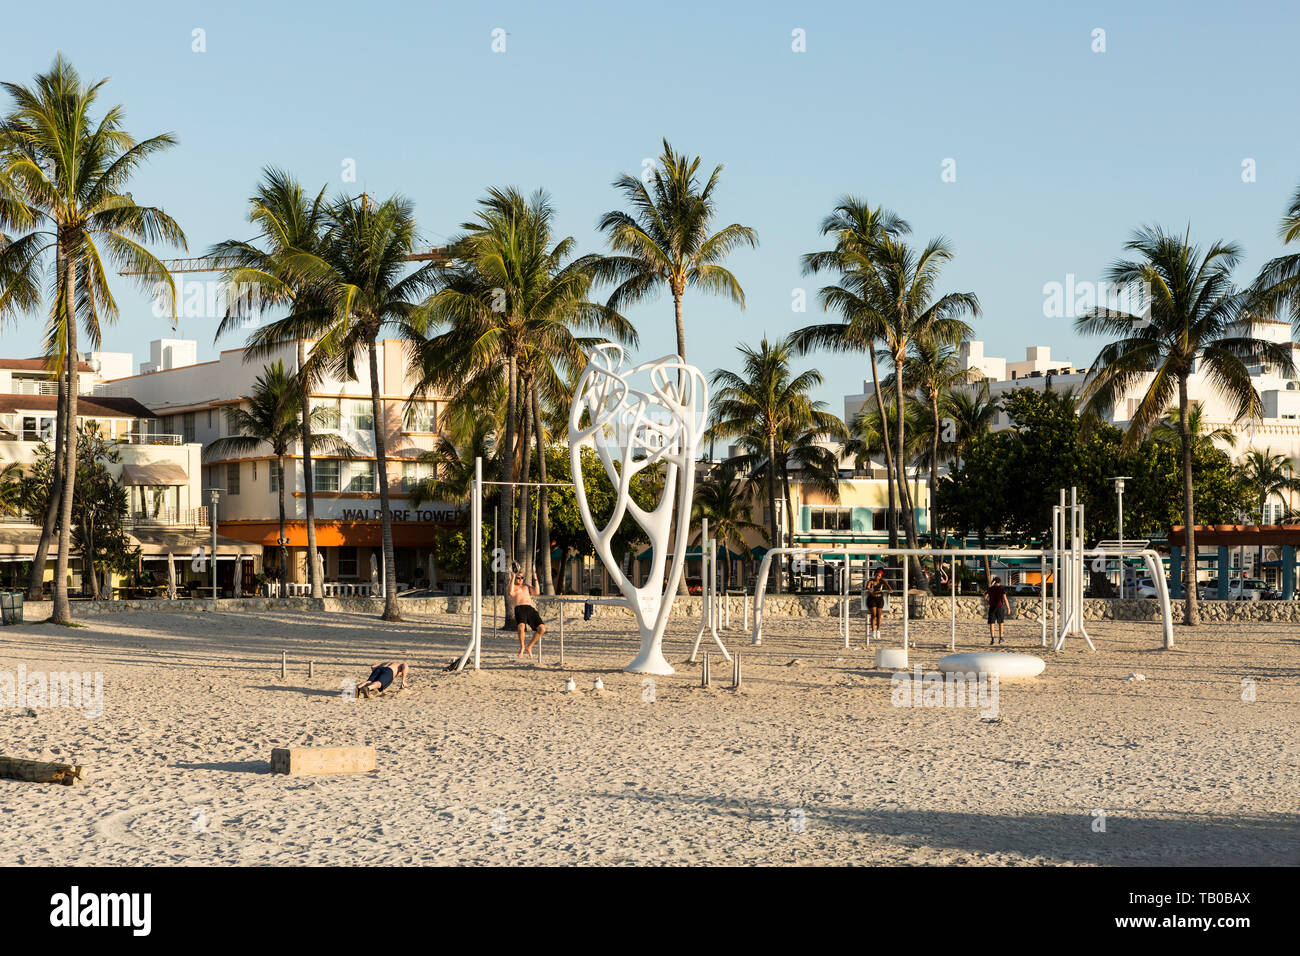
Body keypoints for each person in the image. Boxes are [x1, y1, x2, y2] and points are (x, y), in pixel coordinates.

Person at [510, 571, 546, 659]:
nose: (520, 580)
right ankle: (522, 646)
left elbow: (537, 592)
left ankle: (529, 646)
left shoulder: (526, 586)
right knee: (521, 627)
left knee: (542, 629)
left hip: (529, 608)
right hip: (520, 608)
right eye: (518, 578)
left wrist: (535, 578)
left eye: (522, 578)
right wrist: (512, 578)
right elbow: (510, 593)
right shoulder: (513, 586)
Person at [864, 566, 891, 642]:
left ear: (881, 576)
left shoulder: (882, 582)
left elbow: (890, 589)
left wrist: (885, 583)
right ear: (874, 575)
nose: (877, 577)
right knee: (873, 615)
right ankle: (873, 630)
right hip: (872, 599)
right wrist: (870, 590)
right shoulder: (871, 581)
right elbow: (868, 587)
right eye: (876, 575)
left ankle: (878, 630)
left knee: (879, 615)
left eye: (879, 576)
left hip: (880, 599)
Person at [985, 576, 1010, 645]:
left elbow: (985, 597)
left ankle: (992, 639)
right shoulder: (1002, 589)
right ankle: (1000, 638)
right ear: (999, 582)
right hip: (999, 607)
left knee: (992, 623)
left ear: (994, 582)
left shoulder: (990, 589)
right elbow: (1005, 599)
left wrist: (988, 602)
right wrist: (1008, 608)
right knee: (1000, 623)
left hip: (992, 607)